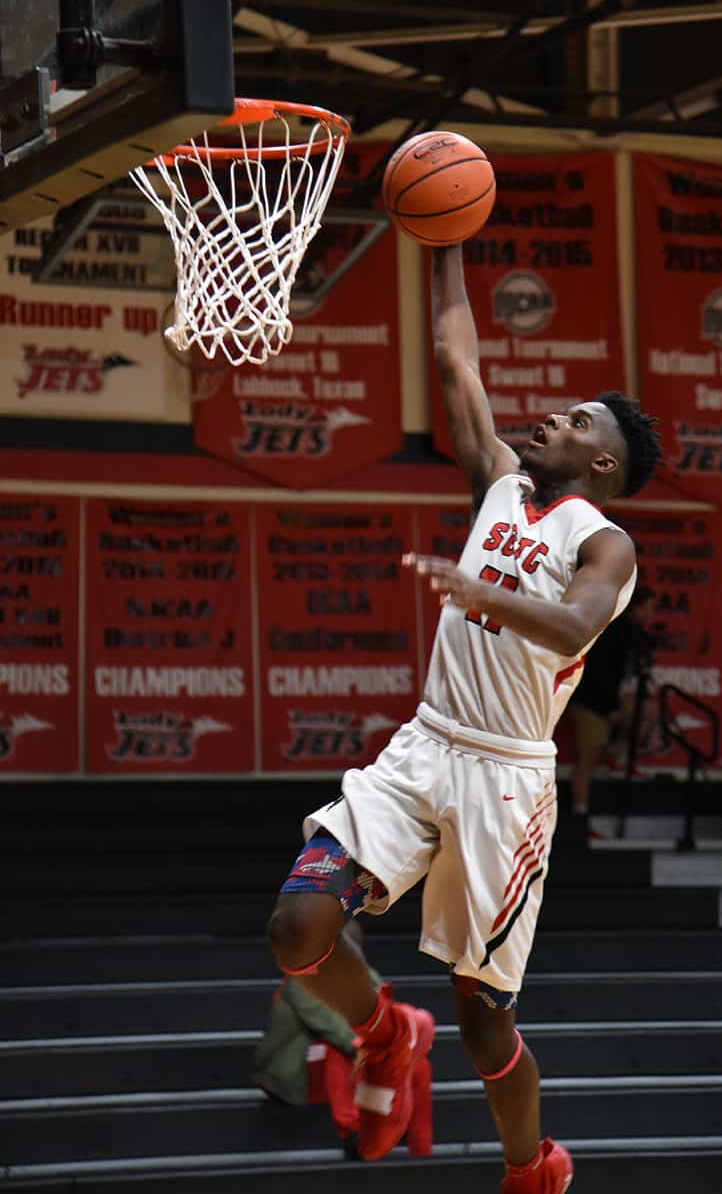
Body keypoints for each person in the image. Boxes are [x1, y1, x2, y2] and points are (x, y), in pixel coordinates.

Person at [267, 242, 662, 1193]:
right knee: (297, 927)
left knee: (485, 1019)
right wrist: (438, 239)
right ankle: (384, 1035)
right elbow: (456, 359)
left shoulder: (605, 543)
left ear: (601, 461)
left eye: (571, 421)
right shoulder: (496, 481)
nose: (546, 418)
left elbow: (573, 622)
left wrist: (485, 601)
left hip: (508, 781)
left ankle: (533, 1168)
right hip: (427, 744)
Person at [254, 921, 433, 1159]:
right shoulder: (302, 977)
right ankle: (353, 1132)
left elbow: (383, 1023)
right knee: (338, 1048)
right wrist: (366, 1046)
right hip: (295, 1071)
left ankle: (420, 1150)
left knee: (417, 1064)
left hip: (344, 1063)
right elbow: (327, 1023)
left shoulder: (368, 977)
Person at [568, 584, 659, 816]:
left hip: (612, 700)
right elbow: (595, 675)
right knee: (587, 757)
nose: (651, 615)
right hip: (589, 700)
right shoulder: (610, 632)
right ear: (633, 609)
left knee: (649, 712)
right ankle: (580, 813)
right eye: (647, 609)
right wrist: (610, 711)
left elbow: (632, 677)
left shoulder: (637, 636)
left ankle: (617, 755)